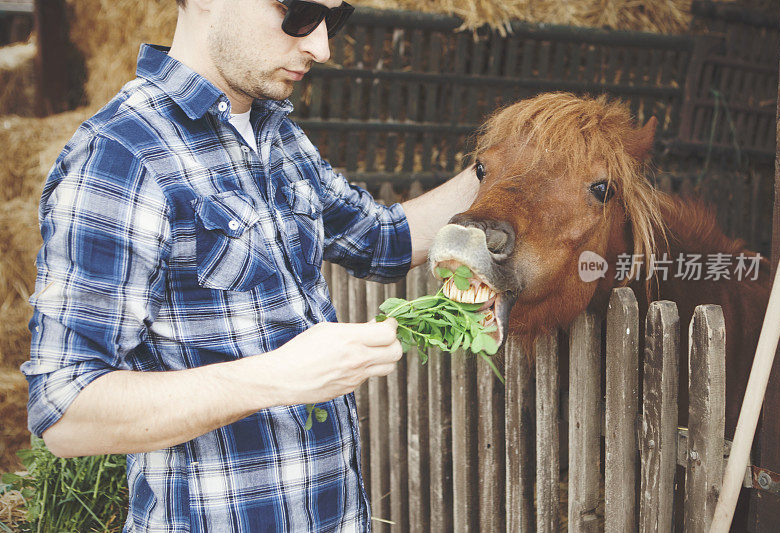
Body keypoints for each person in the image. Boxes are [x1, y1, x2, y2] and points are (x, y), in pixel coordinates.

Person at [20, 0, 479, 530]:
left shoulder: (277, 136)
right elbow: (66, 413)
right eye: (300, 13)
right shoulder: (121, 155)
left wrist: (520, 150)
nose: (321, 48)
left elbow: (383, 239)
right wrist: (278, 377)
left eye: (336, 19)